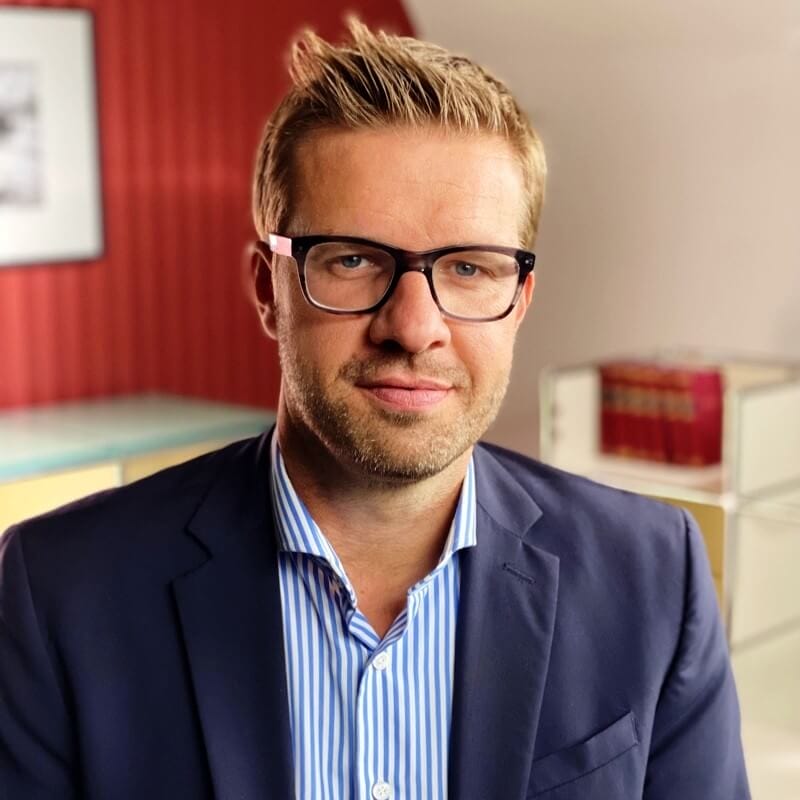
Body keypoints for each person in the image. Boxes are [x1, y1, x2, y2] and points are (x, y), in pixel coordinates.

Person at [0, 18, 749, 800]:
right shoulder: (60, 590)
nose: (414, 328)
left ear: (519, 299)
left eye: (468, 267)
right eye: (354, 261)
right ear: (268, 289)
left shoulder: (656, 575)